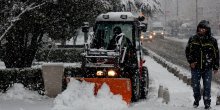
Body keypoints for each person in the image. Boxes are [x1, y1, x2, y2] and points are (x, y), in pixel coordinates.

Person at [185, 20, 219, 109]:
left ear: (207, 30)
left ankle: (207, 103)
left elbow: (216, 54)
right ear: (198, 29)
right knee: (195, 85)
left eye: (204, 29)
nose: (202, 30)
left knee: (207, 87)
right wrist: (191, 62)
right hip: (195, 67)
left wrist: (216, 66)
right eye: (200, 28)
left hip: (207, 68)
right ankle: (196, 99)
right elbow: (188, 52)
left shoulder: (212, 41)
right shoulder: (193, 39)